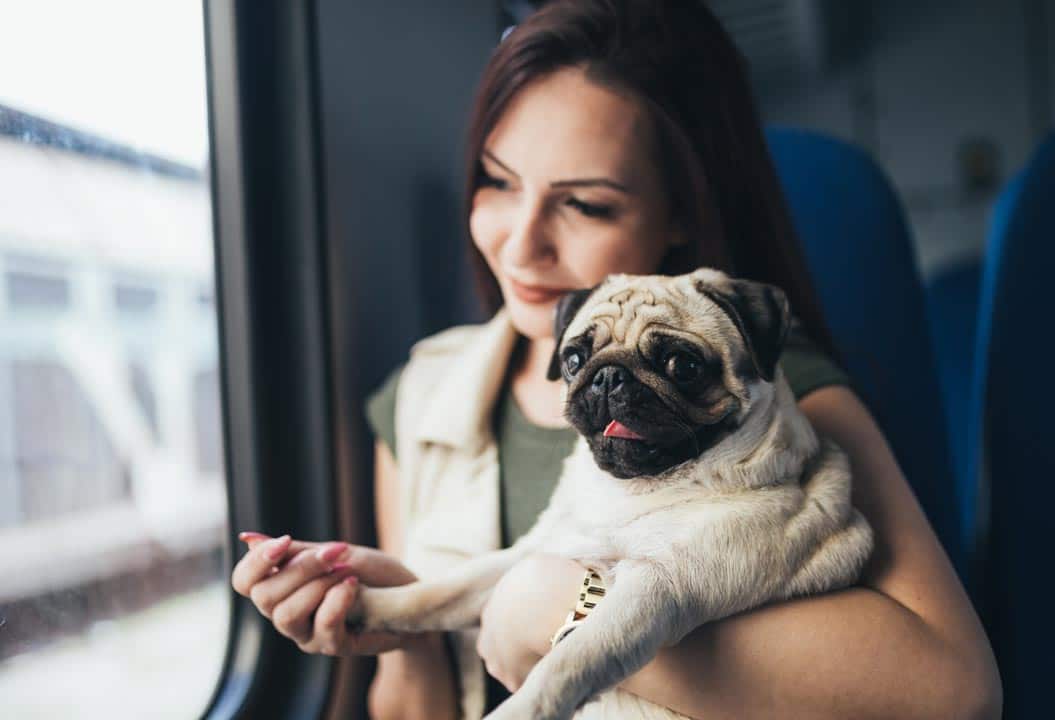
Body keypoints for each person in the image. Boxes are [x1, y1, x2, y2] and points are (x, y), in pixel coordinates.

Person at [231, 1, 1002, 718]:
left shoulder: (776, 389)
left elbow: (954, 688)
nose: (522, 242)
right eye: (497, 182)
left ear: (680, 215)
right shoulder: (422, 395)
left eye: (585, 204)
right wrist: (405, 631)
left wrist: (558, 608)